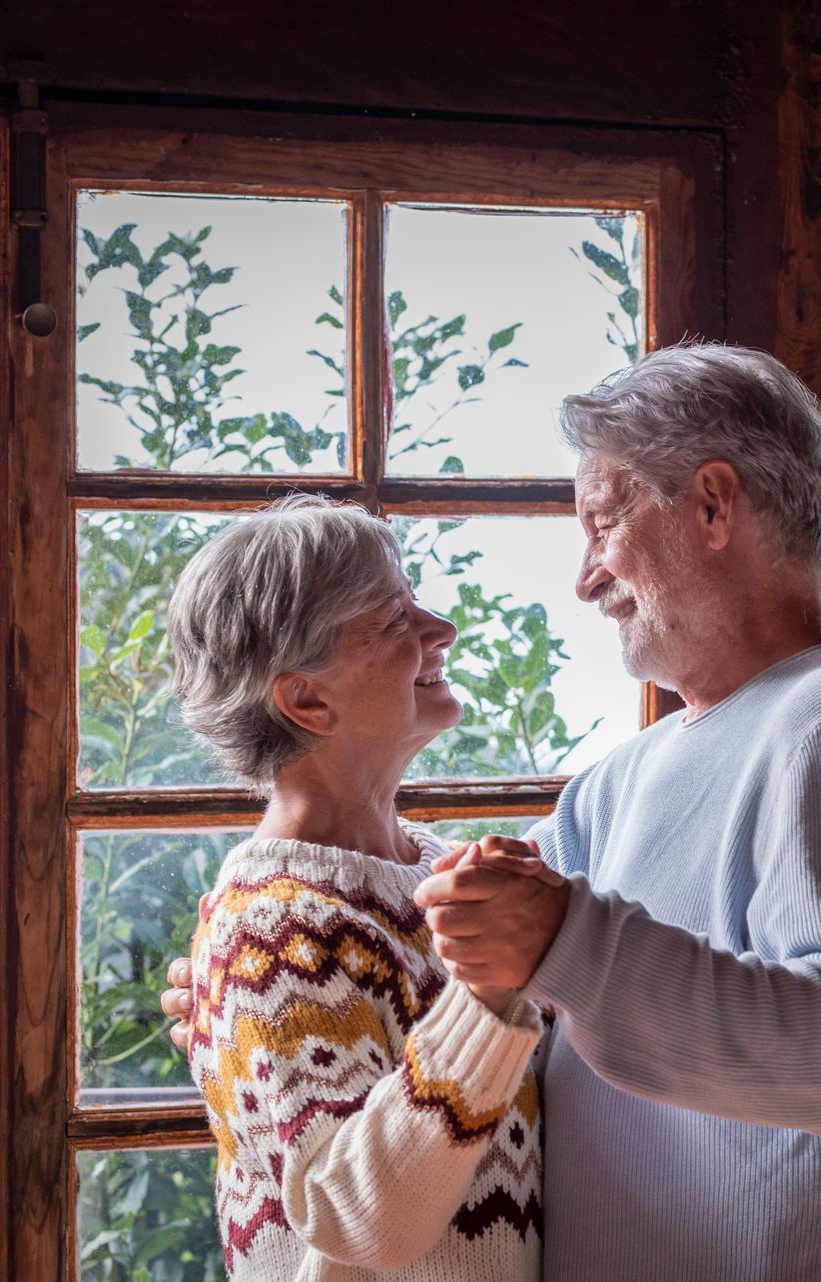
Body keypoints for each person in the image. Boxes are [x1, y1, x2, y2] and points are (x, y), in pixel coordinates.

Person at [166, 343, 821, 1279]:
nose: (586, 578)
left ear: (713, 506)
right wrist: (240, 995)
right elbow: (464, 941)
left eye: (603, 524)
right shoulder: (612, 787)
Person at [168, 496, 549, 1280]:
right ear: (307, 699)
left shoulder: (440, 878)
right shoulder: (269, 930)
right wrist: (487, 993)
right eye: (394, 616)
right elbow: (353, 1219)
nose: (440, 630)